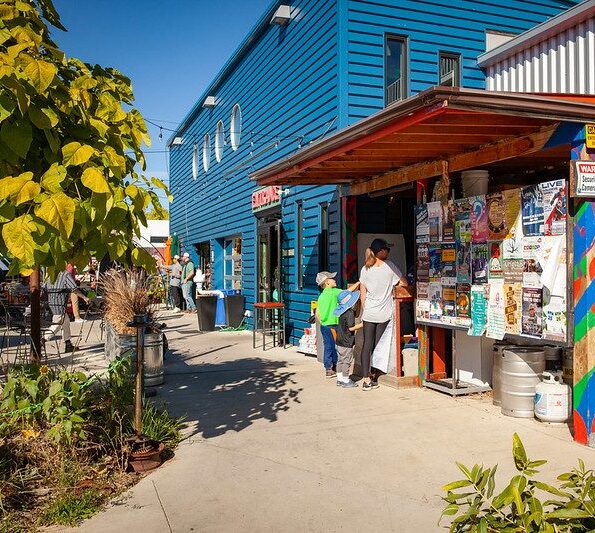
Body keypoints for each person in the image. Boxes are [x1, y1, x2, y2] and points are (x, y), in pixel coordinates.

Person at [359, 238, 408, 391]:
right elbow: (404, 283)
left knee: (367, 344)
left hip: (369, 313)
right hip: (384, 313)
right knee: (379, 346)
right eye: (387, 249)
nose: (388, 252)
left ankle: (365, 378)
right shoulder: (389, 266)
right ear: (381, 251)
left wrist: (365, 310)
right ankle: (374, 374)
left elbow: (363, 295)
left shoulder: (365, 269)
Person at [316, 271, 359, 378]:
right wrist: (359, 283)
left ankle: (329, 368)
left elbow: (317, 313)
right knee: (337, 346)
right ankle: (331, 369)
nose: (335, 280)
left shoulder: (321, 296)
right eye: (332, 278)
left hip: (325, 325)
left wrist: (323, 322)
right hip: (334, 325)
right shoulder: (334, 292)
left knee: (328, 346)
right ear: (327, 283)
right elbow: (347, 292)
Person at [44, 270, 90, 353]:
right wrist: (84, 297)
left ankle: (68, 344)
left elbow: (44, 287)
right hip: (60, 303)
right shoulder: (65, 274)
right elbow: (74, 289)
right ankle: (42, 340)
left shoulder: (51, 273)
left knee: (66, 321)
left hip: (51, 303)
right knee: (58, 323)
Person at [333, 287, 362, 388]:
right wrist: (362, 324)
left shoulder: (341, 312)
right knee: (346, 361)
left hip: (339, 341)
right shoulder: (349, 313)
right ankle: (346, 380)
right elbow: (351, 328)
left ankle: (339, 379)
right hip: (346, 342)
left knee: (340, 360)